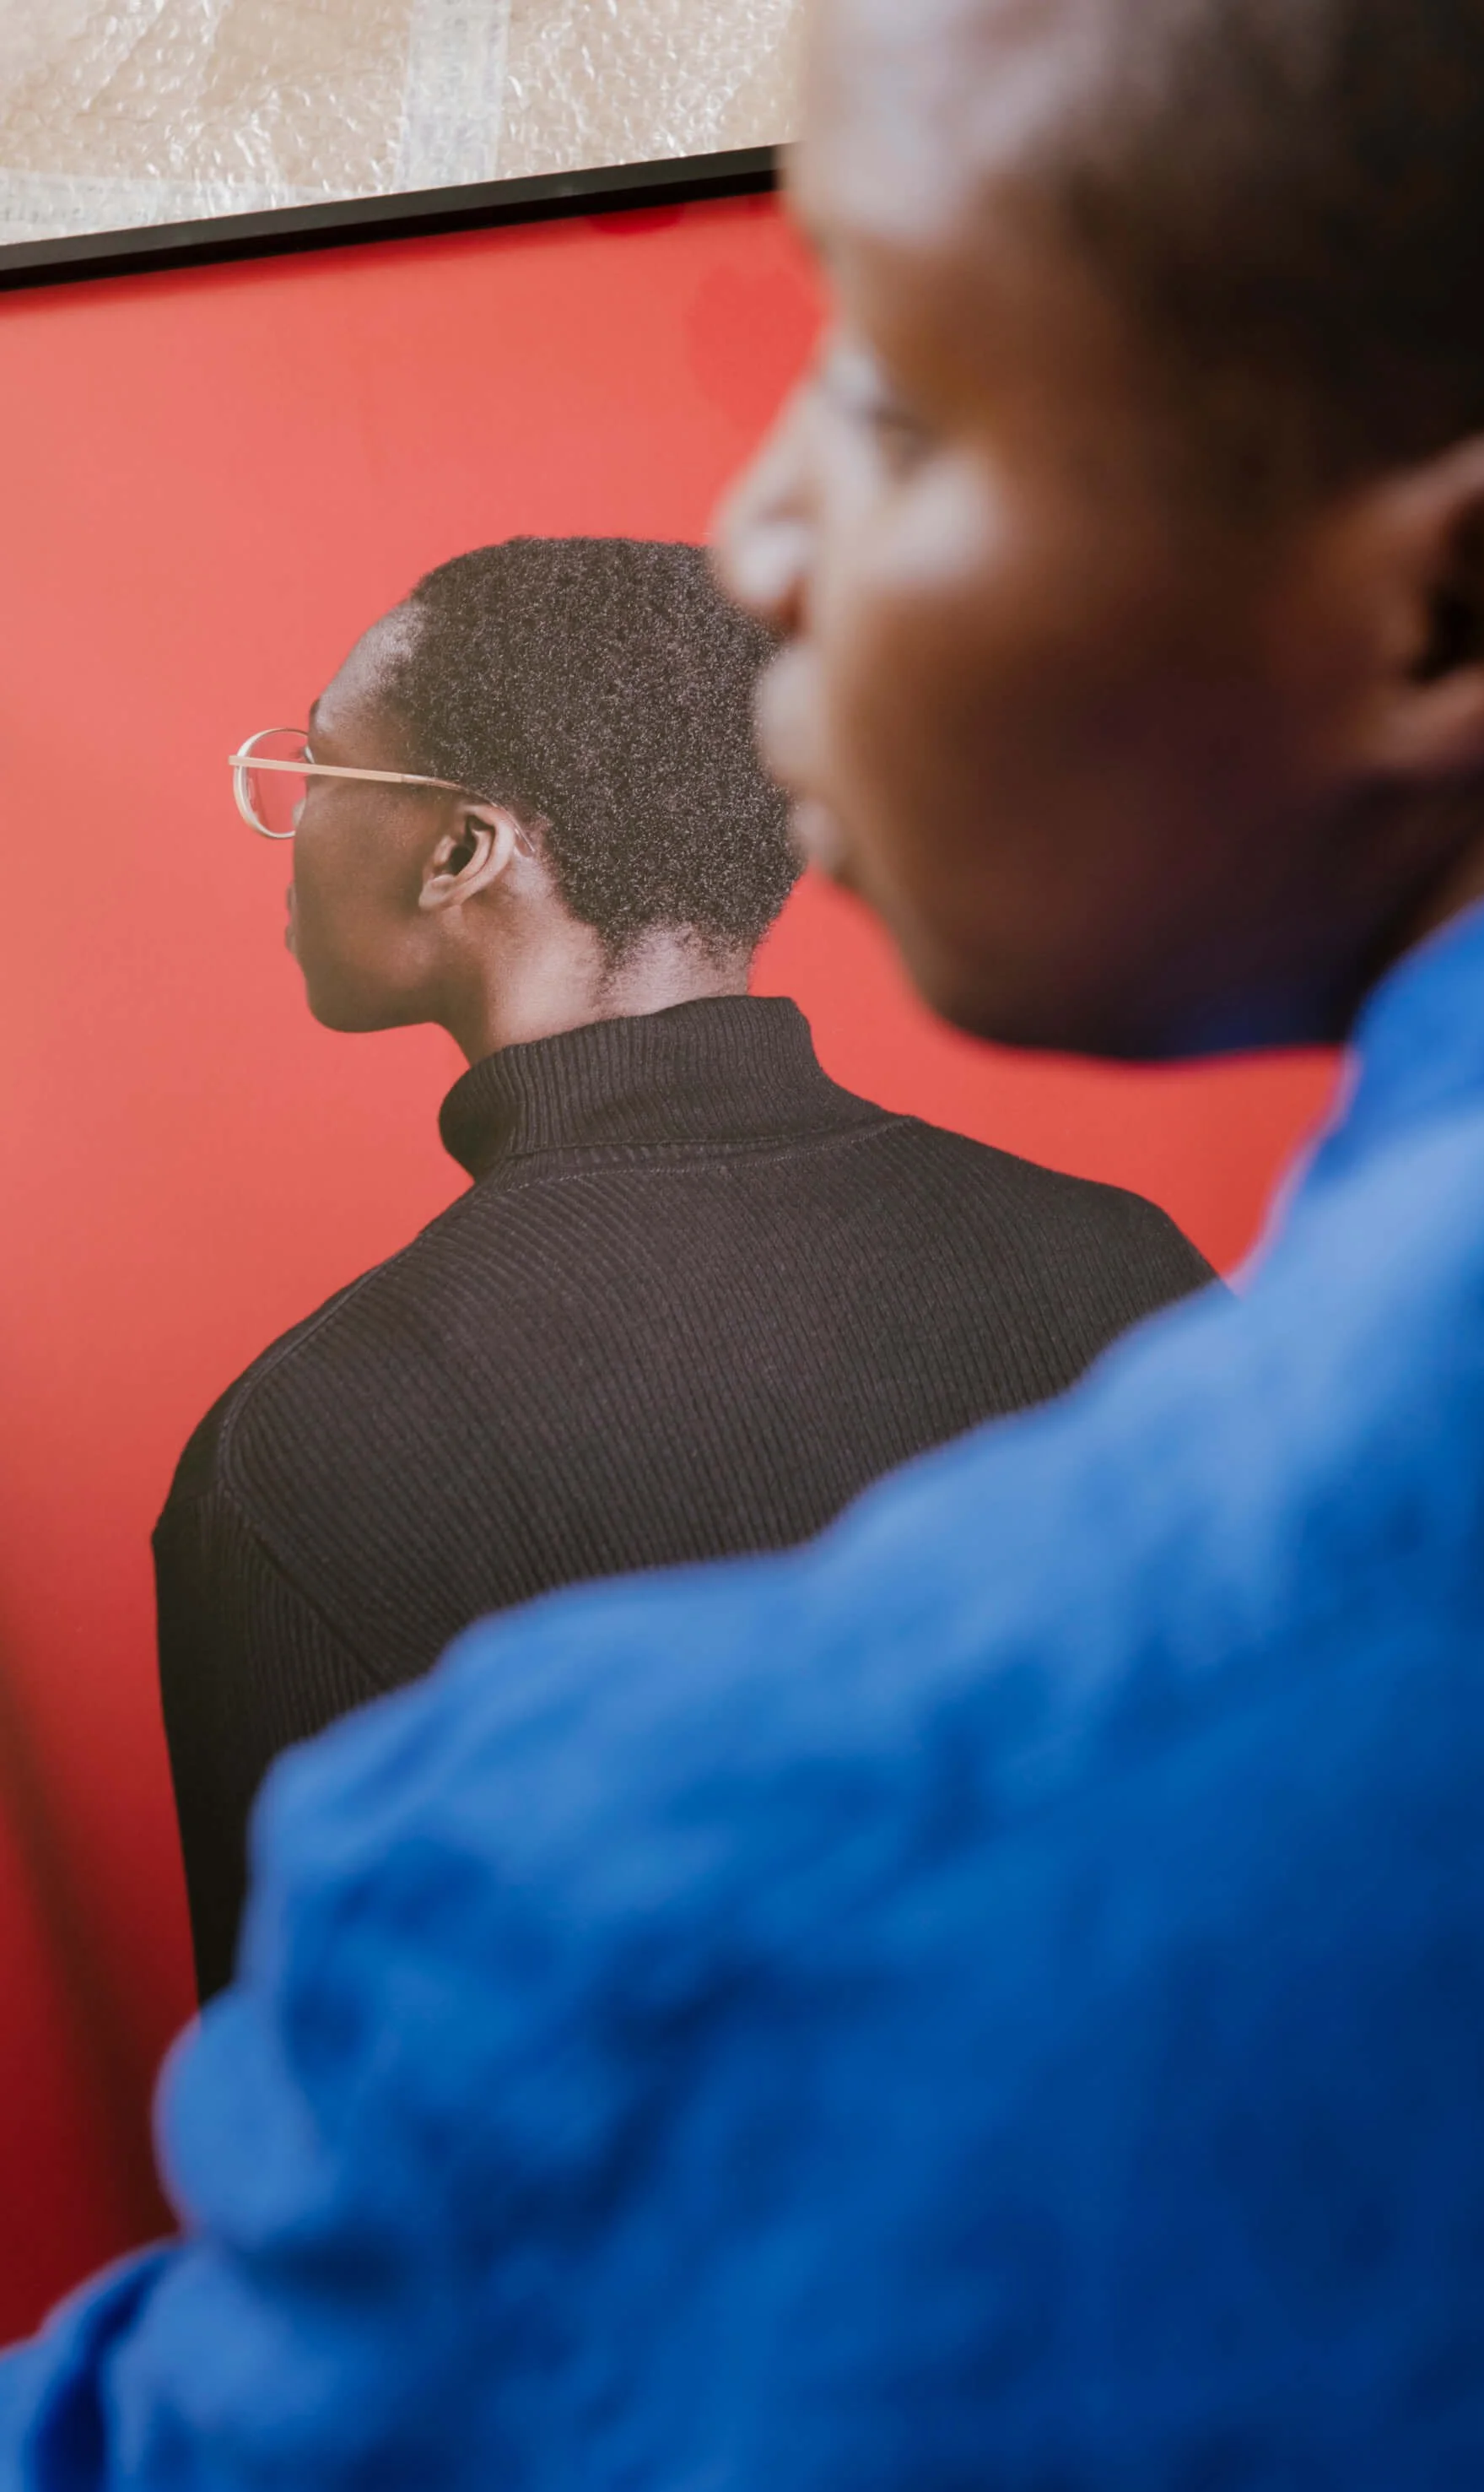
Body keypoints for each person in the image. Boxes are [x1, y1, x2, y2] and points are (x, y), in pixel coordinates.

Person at [8, 0, 1484, 2478]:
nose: (750, 546)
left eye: (895, 395)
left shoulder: (573, 1865)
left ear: (1475, 607)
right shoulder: (1133, 1264)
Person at [159, 532, 1213, 1999]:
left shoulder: (307, 1449)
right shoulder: (1120, 1265)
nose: (292, 813)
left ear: (461, 851)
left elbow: (343, 2142)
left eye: (326, 765)